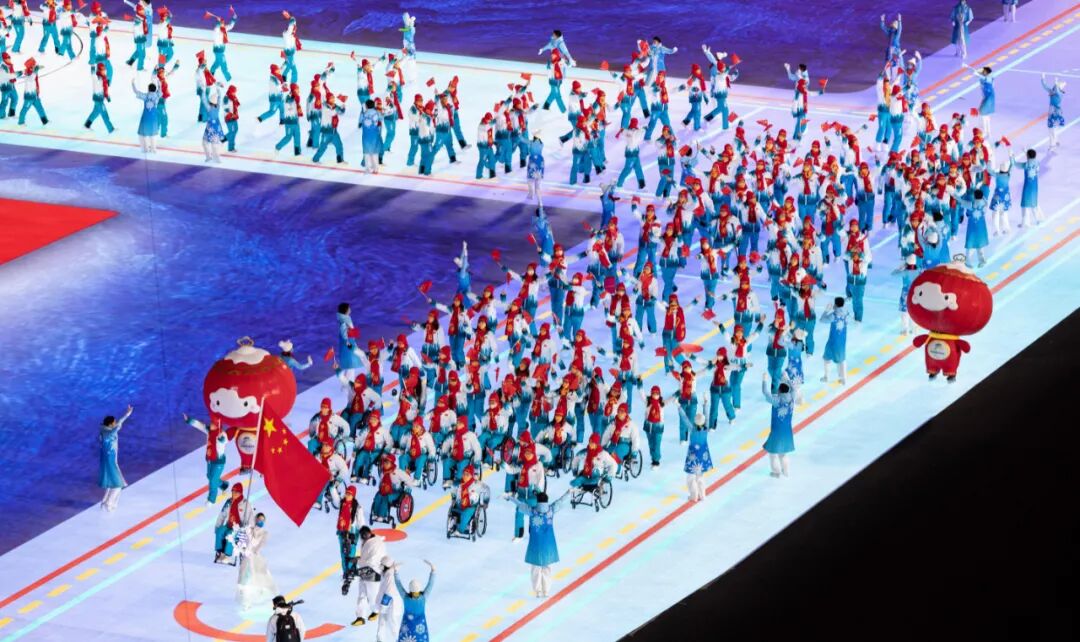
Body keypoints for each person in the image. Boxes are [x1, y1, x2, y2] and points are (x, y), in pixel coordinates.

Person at [506, 489, 572, 598]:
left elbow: (520, 504)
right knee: (547, 568)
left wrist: (510, 497)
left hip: (535, 544)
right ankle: (546, 590)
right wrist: (568, 493)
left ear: (537, 501)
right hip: (548, 544)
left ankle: (538, 591)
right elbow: (560, 501)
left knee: (535, 569)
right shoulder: (551, 510)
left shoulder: (532, 511)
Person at [183, 413, 231, 505]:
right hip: (210, 459)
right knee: (209, 476)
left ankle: (211, 500)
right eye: (211, 423)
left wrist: (221, 439)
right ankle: (223, 485)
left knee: (212, 480)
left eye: (213, 424)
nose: (211, 425)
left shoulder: (221, 434)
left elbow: (225, 440)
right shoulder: (209, 430)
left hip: (218, 462)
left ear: (217, 426)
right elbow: (200, 425)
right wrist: (189, 420)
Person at [236, 512, 277, 611]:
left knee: (256, 580)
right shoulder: (249, 529)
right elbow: (242, 540)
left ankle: (257, 599)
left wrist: (253, 550)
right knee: (243, 580)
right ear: (256, 519)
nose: (261, 521)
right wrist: (243, 547)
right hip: (246, 557)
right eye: (259, 519)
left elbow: (260, 545)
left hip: (255, 558)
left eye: (263, 520)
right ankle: (245, 602)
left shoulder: (264, 533)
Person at [762, 373, 798, 478]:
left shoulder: (776, 401)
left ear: (779, 391)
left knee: (772, 453)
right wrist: (787, 378)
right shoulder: (792, 399)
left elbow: (765, 392)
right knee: (783, 454)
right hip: (787, 431)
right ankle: (786, 472)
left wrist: (764, 380)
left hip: (776, 431)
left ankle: (776, 472)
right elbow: (794, 388)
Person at [98, 405, 133, 511]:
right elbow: (119, 425)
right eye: (114, 422)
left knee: (112, 483)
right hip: (111, 461)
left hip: (107, 460)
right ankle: (109, 503)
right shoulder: (110, 432)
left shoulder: (104, 430)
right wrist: (127, 414)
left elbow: (117, 425)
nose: (115, 423)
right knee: (118, 484)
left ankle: (105, 502)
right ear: (110, 424)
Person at [394, 560, 436, 642]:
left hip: (407, 627)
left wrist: (396, 573)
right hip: (420, 627)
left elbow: (398, 585)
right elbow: (430, 584)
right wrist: (433, 571)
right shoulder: (423, 598)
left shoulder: (405, 598)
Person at [679, 400, 712, 502]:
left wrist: (679, 408)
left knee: (691, 477)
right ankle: (702, 495)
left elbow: (684, 419)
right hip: (703, 455)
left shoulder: (692, 429)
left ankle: (694, 495)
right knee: (700, 477)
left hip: (693, 456)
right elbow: (707, 416)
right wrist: (705, 404)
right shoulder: (705, 428)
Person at [215, 482, 252, 564]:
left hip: (238, 528)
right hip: (229, 525)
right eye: (233, 491)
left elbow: (250, 519)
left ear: (240, 493)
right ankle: (219, 551)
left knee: (230, 535)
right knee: (220, 531)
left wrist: (247, 532)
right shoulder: (229, 502)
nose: (234, 494)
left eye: (236, 492)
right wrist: (217, 526)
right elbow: (222, 514)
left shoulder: (245, 504)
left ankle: (227, 555)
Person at [820, 297, 850, 384]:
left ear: (835, 304)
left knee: (826, 359)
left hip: (832, 341)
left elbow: (822, 320)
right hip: (842, 342)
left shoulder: (834, 315)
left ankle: (826, 377)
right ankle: (843, 379)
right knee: (841, 360)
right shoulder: (846, 313)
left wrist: (826, 310)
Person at [132, 78, 162, 152]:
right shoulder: (157, 95)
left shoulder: (146, 96)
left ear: (148, 89)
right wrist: (159, 83)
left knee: (143, 134)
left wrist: (133, 83)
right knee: (153, 134)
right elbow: (160, 90)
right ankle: (153, 149)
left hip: (145, 117)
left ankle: (145, 149)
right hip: (153, 117)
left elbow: (136, 92)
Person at [1041, 73, 1066, 150]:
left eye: (1056, 86)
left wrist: (1056, 82)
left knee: (1053, 129)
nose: (1054, 87)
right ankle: (1055, 141)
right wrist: (1043, 78)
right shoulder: (1053, 91)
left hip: (1057, 113)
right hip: (1051, 112)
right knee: (1051, 129)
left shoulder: (1060, 94)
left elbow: (1057, 91)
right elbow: (1045, 86)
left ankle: (1053, 144)